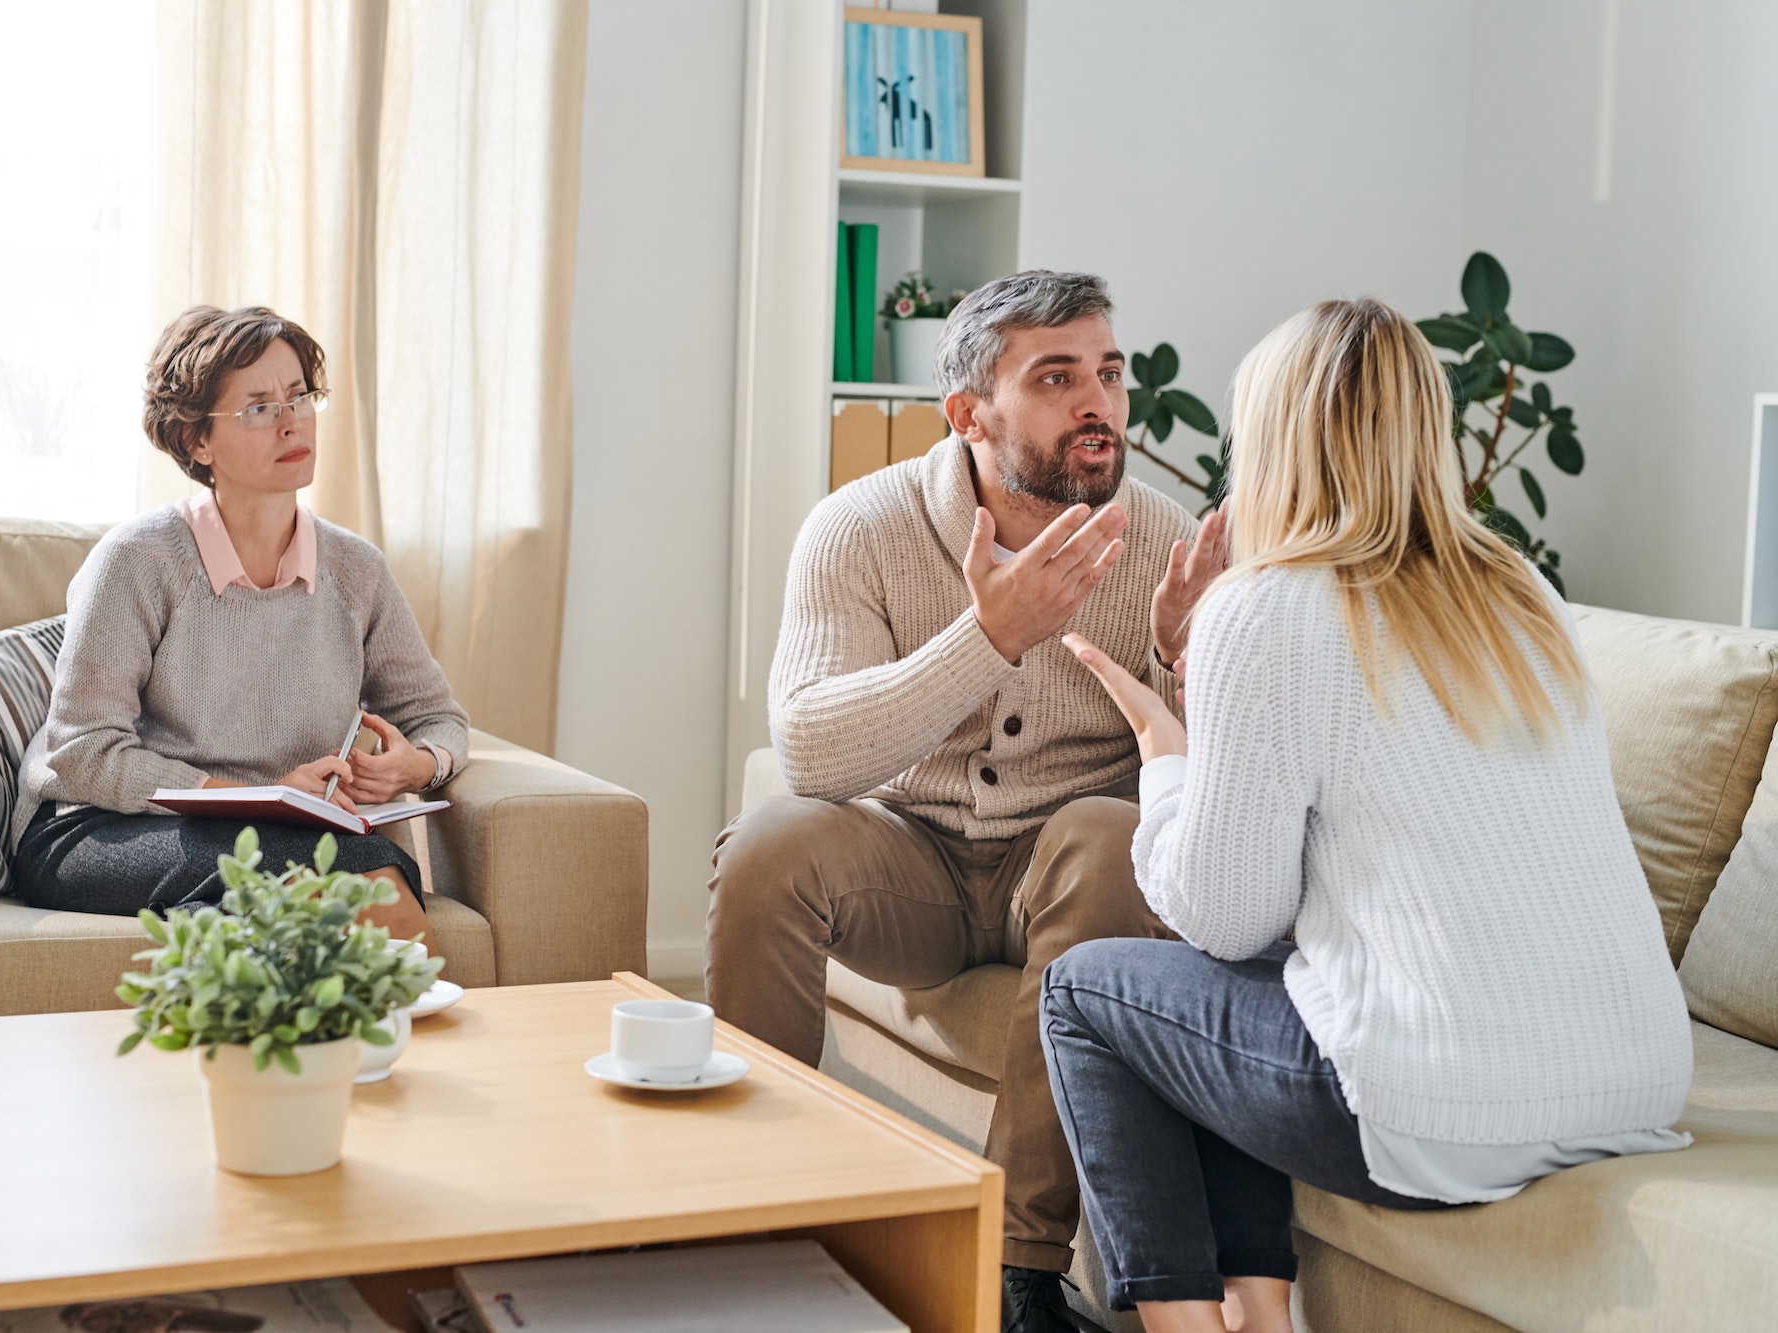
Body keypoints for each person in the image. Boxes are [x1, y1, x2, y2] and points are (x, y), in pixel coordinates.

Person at [1043, 298, 1692, 1333]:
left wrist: (1166, 758)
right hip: (1632, 1084)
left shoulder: (1265, 606)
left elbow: (1219, 918)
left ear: (1272, 442)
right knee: (1231, 987)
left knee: (1083, 991)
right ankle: (1259, 1314)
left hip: (1443, 1112)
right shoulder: (1524, 591)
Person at [707, 270, 1228, 1332]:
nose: (1098, 403)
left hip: (1069, 880)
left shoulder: (1163, 540)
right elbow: (809, 750)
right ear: (968, 412)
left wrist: (1188, 664)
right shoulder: (861, 526)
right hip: (915, 863)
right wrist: (989, 636)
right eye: (1056, 378)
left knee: (1109, 832)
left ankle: (1014, 1270)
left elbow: (1213, 790)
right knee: (767, 844)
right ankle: (745, 1215)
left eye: (1109, 374)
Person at [12, 304, 469, 942]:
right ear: (196, 440)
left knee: (350, 877)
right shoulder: (137, 561)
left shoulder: (356, 570)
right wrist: (261, 794)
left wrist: (418, 766)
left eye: (300, 396)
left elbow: (438, 717)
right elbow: (82, 753)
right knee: (361, 876)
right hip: (99, 828)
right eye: (258, 408)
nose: (291, 421)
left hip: (274, 832)